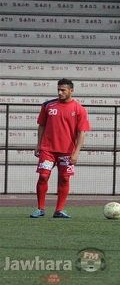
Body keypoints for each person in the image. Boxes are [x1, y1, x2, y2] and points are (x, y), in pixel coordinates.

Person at [30, 78, 91, 218]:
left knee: (64, 179)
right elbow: (41, 125)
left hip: (67, 151)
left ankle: (59, 210)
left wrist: (76, 153)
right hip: (48, 149)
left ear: (71, 91)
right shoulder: (48, 106)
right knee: (43, 176)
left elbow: (82, 133)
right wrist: (38, 144)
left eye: (63, 90)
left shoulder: (79, 109)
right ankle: (40, 209)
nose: (59, 92)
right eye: (58, 89)